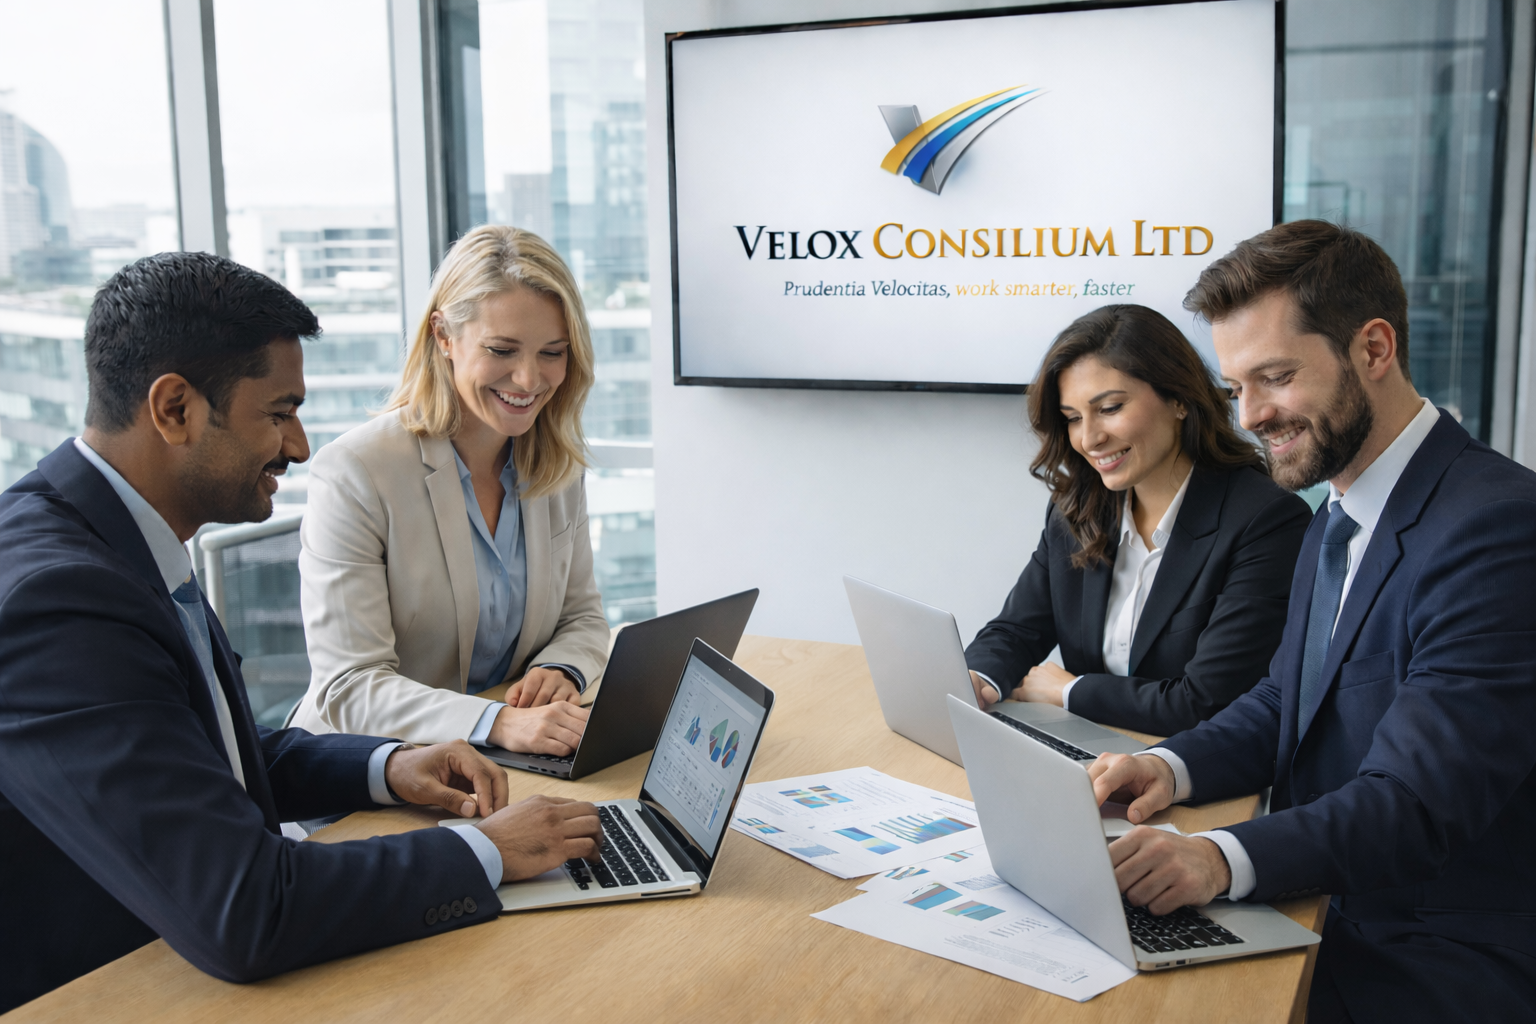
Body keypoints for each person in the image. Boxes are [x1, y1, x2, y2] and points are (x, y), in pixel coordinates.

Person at [0, 252, 604, 1013]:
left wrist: (389, 767)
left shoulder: (113, 538)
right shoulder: (59, 600)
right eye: (279, 413)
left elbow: (214, 752)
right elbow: (246, 909)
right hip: (112, 988)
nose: (299, 447)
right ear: (175, 409)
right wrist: (486, 849)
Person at [1090, 221, 1536, 1021]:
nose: (1251, 415)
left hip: (1435, 952)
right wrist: (1168, 767)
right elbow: (1283, 700)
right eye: (1236, 388)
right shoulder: (1337, 511)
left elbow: (1415, 802)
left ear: (1373, 350)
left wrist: (1217, 859)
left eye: (1276, 377)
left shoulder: (1499, 528)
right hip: (1328, 902)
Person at [291, 226, 609, 757]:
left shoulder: (554, 463)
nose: (529, 379)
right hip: (366, 776)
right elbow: (349, 686)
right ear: (443, 336)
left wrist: (562, 667)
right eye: (502, 349)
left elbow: (582, 617)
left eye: (552, 352)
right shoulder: (355, 472)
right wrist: (497, 722)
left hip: (503, 767)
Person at [965, 305, 1311, 736]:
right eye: (1073, 418)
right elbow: (1015, 631)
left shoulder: (1266, 521)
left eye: (1109, 408)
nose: (1089, 439)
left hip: (1189, 775)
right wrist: (977, 681)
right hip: (1089, 752)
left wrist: (1070, 691)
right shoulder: (1076, 510)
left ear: (1179, 398)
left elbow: (1207, 702)